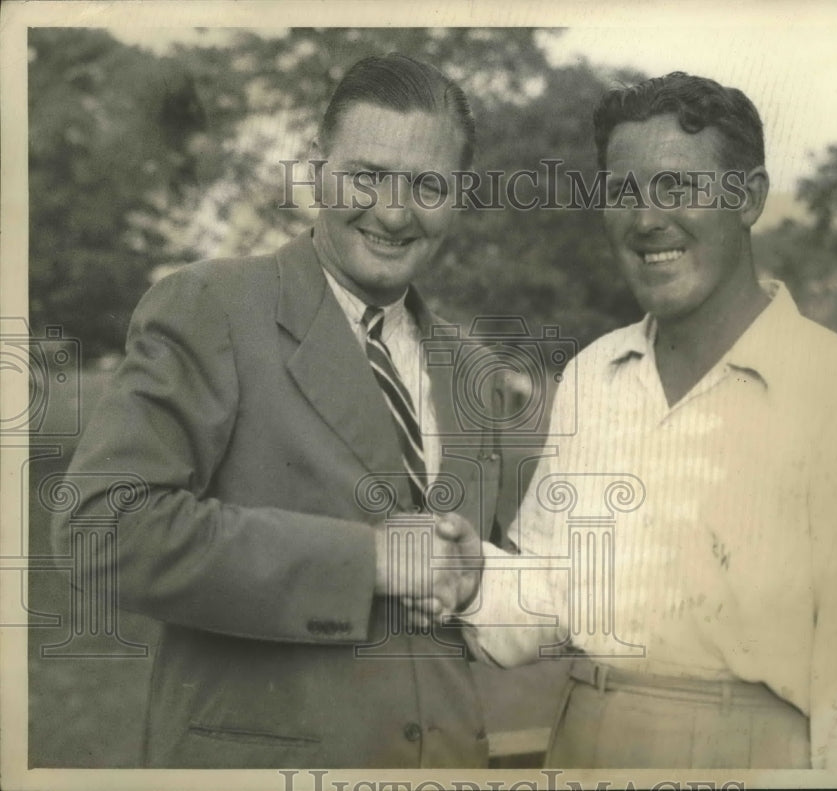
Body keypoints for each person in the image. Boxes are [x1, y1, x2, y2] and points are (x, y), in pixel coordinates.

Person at [52, 54, 511, 768]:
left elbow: (473, 573)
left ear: (461, 194)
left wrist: (476, 578)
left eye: (427, 184)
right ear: (316, 168)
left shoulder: (475, 368)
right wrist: (370, 559)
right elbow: (101, 527)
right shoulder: (214, 306)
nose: (394, 212)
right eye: (367, 175)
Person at [457, 72, 837, 770]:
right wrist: (463, 574)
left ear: (749, 199)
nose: (647, 219)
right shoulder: (592, 374)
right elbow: (548, 599)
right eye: (624, 191)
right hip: (581, 742)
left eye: (678, 187)